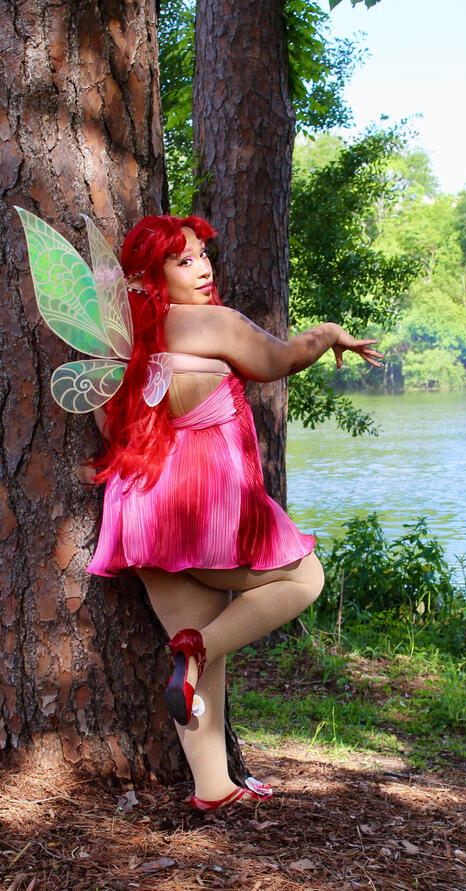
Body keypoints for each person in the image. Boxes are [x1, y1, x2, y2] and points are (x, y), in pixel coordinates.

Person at [84, 214, 382, 810]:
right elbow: (281, 359)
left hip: (140, 512)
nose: (203, 267)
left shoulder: (117, 343)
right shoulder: (212, 324)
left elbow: (105, 426)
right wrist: (329, 333)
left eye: (201, 255)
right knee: (305, 576)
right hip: (205, 514)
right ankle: (197, 648)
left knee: (204, 664)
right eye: (185, 260)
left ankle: (212, 788)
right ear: (152, 275)